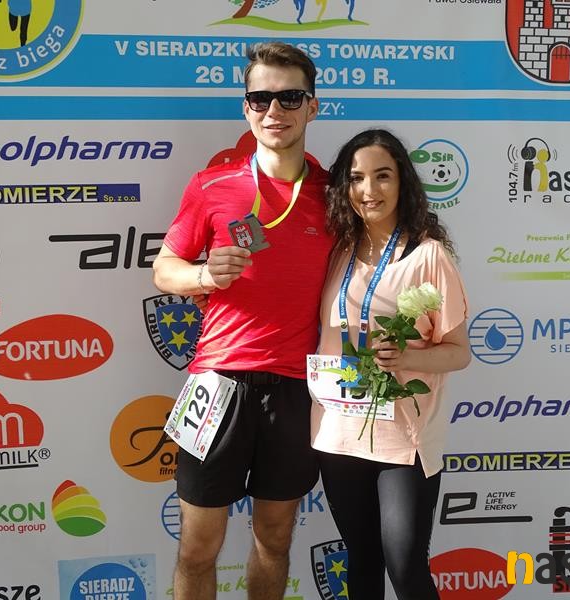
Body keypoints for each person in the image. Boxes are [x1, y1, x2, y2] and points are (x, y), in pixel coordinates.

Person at [152, 42, 332, 600]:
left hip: (297, 387)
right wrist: (204, 276)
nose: (274, 111)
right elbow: (164, 270)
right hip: (216, 383)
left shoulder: (336, 194)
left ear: (312, 107)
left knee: (274, 539)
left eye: (290, 98)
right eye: (260, 99)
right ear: (245, 107)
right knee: (197, 547)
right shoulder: (211, 185)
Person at [311, 129, 471, 600]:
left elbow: (459, 350)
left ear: (403, 182)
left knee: (404, 566)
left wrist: (407, 356)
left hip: (403, 440)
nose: (369, 190)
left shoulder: (428, 255)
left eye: (382, 176)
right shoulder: (337, 249)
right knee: (361, 560)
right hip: (339, 431)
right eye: (356, 178)